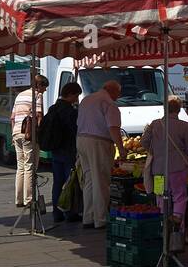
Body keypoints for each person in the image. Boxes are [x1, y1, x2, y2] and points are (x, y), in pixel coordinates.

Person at [77, 80, 126, 229]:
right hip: (98, 142)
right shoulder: (109, 104)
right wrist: (121, 148)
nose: (119, 96)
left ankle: (88, 217)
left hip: (81, 140)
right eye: (118, 92)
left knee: (90, 180)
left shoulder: (87, 99)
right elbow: (113, 129)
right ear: (112, 91)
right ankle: (100, 219)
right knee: (101, 181)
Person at [142, 96, 188, 229]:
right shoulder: (184, 126)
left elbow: (144, 142)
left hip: (158, 169)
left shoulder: (154, 124)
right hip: (177, 168)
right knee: (179, 197)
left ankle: (163, 228)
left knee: (160, 197)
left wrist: (155, 152)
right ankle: (177, 229)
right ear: (178, 110)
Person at [40, 81, 82, 224]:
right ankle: (70, 213)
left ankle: (57, 213)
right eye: (76, 96)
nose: (77, 99)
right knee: (69, 183)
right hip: (68, 150)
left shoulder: (53, 108)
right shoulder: (70, 112)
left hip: (55, 151)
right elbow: (74, 131)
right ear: (70, 94)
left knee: (57, 182)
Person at [9, 74, 49, 208]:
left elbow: (12, 118)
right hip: (28, 134)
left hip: (16, 133)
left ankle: (18, 199)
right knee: (30, 167)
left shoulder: (19, 95)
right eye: (44, 87)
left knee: (20, 167)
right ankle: (29, 199)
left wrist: (12, 135)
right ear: (39, 85)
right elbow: (38, 116)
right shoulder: (37, 95)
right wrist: (40, 133)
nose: (45, 90)